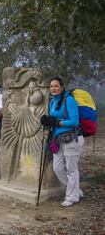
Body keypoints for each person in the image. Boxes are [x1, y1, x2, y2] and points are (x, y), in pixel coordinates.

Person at [40, 76, 84, 207]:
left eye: (56, 86)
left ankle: (72, 197)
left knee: (71, 169)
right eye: (51, 86)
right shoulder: (53, 101)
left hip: (72, 139)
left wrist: (57, 122)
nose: (53, 88)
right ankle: (75, 191)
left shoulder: (69, 100)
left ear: (62, 87)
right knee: (58, 168)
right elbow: (54, 120)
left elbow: (75, 121)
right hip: (58, 140)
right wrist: (47, 121)